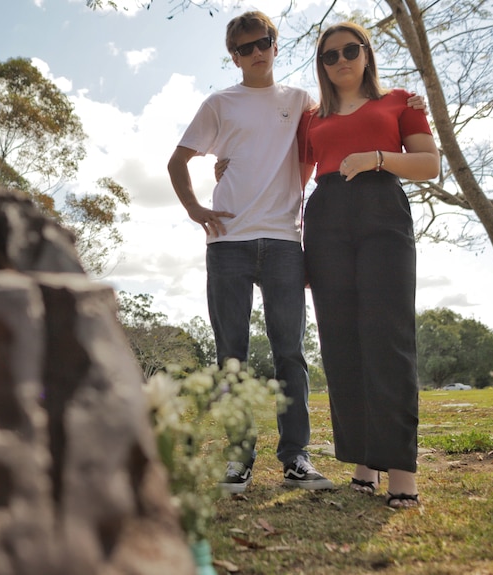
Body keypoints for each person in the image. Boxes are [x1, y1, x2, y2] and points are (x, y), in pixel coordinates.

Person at [167, 11, 333, 494]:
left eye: (262, 42)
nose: (256, 52)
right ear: (233, 56)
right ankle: (239, 459)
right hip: (228, 244)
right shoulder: (220, 102)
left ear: (275, 44)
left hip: (284, 241)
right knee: (231, 358)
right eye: (244, 48)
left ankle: (295, 459)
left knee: (291, 355)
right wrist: (197, 209)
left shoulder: (301, 100)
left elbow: (347, 107)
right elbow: (178, 161)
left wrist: (402, 100)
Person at [297, 22, 439, 508]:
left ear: (366, 54)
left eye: (349, 51)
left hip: (383, 213)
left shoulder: (400, 101)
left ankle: (400, 471)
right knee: (341, 343)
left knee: (389, 338)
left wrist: (378, 157)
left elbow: (428, 164)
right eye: (329, 56)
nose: (340, 61)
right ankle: (362, 463)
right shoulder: (312, 116)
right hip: (326, 219)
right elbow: (293, 178)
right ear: (322, 65)